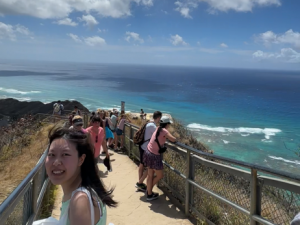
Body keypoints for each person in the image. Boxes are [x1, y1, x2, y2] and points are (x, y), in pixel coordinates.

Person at [45, 127, 117, 225]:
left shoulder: (80, 201)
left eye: (65, 154)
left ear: (81, 159)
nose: (56, 162)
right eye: (51, 155)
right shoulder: (86, 190)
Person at [143, 116, 176, 201]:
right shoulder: (164, 131)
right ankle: (149, 191)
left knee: (150, 175)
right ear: (167, 124)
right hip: (154, 155)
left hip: (148, 152)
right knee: (160, 175)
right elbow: (173, 139)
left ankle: (149, 194)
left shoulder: (157, 128)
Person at [135, 111, 162, 192]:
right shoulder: (152, 126)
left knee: (142, 165)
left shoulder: (149, 123)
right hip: (145, 148)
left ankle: (140, 183)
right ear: (158, 118)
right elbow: (158, 135)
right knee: (150, 167)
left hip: (142, 146)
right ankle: (140, 183)